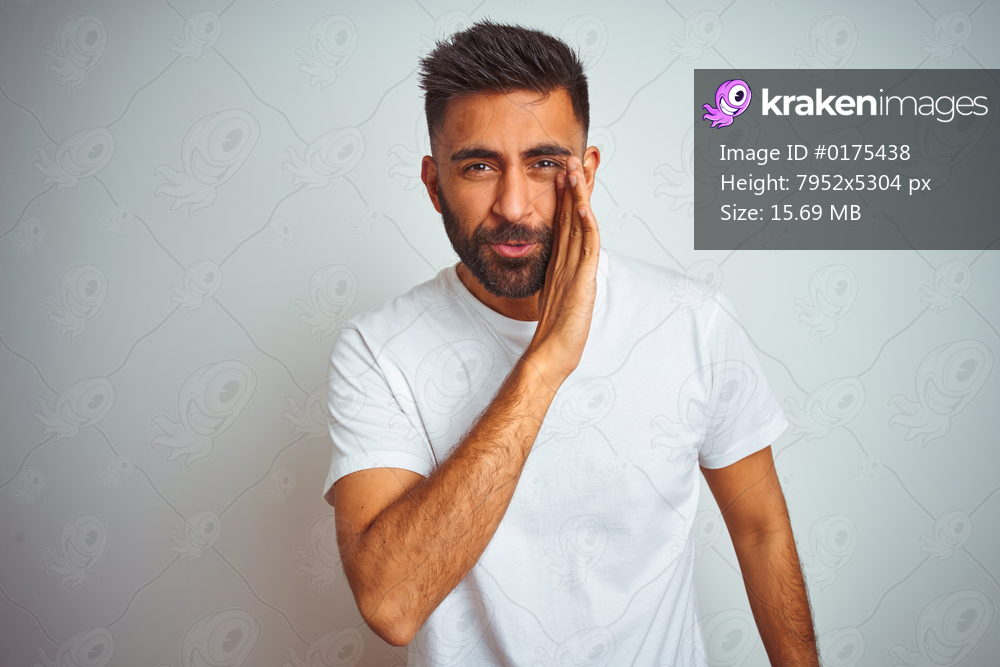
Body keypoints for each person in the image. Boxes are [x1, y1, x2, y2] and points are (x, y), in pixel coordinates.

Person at [323, 20, 820, 667]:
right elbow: (392, 602)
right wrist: (545, 361)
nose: (513, 204)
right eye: (479, 165)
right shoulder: (378, 350)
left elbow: (761, 532)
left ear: (586, 170)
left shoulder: (693, 321)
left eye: (544, 164)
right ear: (433, 180)